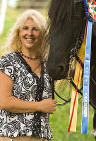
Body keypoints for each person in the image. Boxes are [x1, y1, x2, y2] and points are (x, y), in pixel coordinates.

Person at [0, 9, 57, 141]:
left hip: (42, 137)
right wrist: (40, 106)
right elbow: (4, 102)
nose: (29, 33)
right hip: (12, 137)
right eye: (25, 28)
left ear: (42, 33)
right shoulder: (8, 62)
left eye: (35, 29)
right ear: (18, 32)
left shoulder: (48, 65)